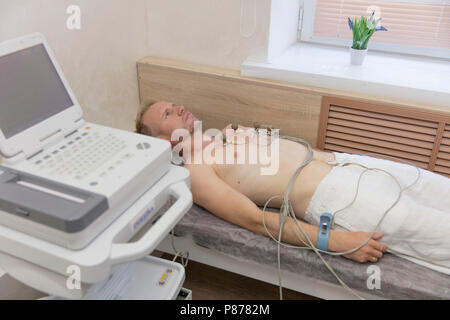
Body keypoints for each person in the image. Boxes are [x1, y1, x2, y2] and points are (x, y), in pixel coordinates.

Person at [135, 101, 450, 274]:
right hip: (342, 199)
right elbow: (254, 220)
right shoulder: (198, 171)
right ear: (163, 141)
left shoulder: (228, 131)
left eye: (175, 104)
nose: (179, 109)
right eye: (168, 113)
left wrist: (354, 159)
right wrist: (337, 241)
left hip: (352, 164)